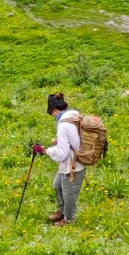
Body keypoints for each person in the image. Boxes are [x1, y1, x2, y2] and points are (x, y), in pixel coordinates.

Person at [38, 92, 85, 226]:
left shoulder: (63, 124)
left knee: (69, 193)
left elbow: (62, 153)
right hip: (75, 159)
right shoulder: (73, 116)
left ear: (54, 110)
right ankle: (62, 211)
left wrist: (46, 151)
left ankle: (69, 220)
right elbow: (73, 139)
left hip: (73, 165)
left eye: (51, 113)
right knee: (57, 185)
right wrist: (58, 141)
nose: (52, 116)